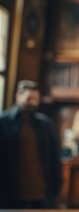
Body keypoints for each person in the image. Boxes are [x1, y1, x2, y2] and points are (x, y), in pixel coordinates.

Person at [0, 80, 63, 208]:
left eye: (36, 99)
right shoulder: (3, 122)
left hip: (41, 195)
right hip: (10, 194)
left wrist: (56, 187)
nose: (33, 102)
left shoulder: (46, 124)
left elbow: (54, 158)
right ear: (18, 96)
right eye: (29, 98)